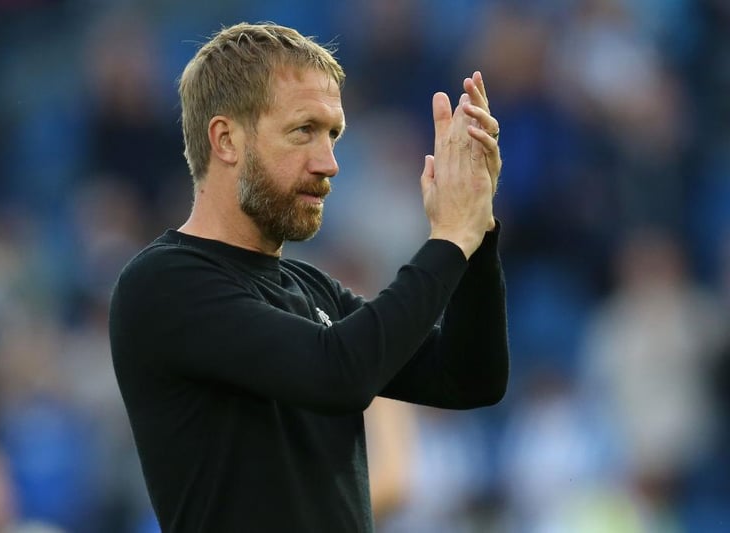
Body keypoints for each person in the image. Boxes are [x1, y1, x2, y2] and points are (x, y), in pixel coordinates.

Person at [109, 22, 509, 533]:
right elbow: (338, 374)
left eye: (333, 134)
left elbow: (470, 377)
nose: (330, 163)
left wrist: (477, 229)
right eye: (303, 131)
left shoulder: (310, 288)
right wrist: (449, 238)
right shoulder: (164, 282)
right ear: (226, 139)